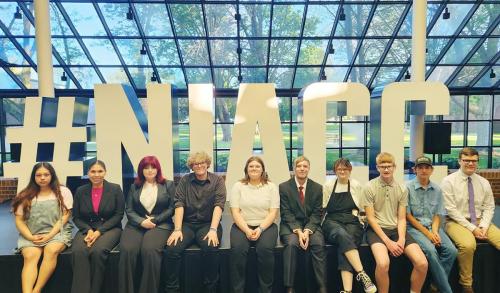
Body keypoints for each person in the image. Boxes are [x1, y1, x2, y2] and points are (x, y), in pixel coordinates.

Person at [362, 152, 428, 293]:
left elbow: (402, 218)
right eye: (382, 166)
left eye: (389, 166)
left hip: (397, 230)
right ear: (377, 167)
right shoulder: (369, 187)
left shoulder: (402, 188)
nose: (386, 169)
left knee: (422, 263)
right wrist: (388, 242)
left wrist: (402, 239)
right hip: (377, 230)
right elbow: (371, 218)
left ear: (394, 167)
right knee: (383, 263)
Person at [164, 151, 226, 293]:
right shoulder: (185, 180)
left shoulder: (218, 181)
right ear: (191, 166)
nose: (199, 166)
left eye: (202, 163)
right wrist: (177, 229)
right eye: (195, 164)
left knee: (211, 248)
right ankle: (172, 289)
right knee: (172, 249)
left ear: (207, 164)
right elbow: (179, 204)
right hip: (187, 224)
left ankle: (210, 289)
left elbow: (219, 205)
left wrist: (213, 230)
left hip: (208, 224)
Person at [441, 147, 500, 293]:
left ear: (477, 162)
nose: (470, 164)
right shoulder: (448, 181)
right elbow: (451, 210)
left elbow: (489, 207)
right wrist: (473, 229)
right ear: (459, 161)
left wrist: (484, 226)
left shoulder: (483, 182)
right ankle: (466, 285)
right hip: (455, 221)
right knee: (468, 245)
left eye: (474, 161)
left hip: (481, 221)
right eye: (466, 160)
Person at [12, 162, 73, 293]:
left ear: (52, 175)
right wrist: (29, 237)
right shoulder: (24, 195)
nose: (42, 178)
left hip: (57, 232)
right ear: (34, 177)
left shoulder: (63, 191)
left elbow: (65, 216)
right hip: (32, 233)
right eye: (38, 175)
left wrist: (50, 235)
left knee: (51, 251)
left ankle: (37, 290)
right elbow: (19, 220)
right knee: (30, 256)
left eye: (46, 174)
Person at [118, 156, 175, 293]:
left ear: (158, 169)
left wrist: (155, 220)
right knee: (127, 250)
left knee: (149, 251)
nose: (150, 170)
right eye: (146, 167)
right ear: (141, 170)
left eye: (153, 167)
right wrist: (141, 221)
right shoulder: (134, 186)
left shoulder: (168, 184)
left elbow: (172, 208)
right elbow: (129, 209)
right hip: (136, 225)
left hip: (160, 225)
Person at [323, 158, 376, 293]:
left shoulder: (356, 185)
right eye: (339, 169)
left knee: (345, 242)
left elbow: (362, 208)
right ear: (335, 171)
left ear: (350, 170)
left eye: (345, 169)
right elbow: (323, 208)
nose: (342, 171)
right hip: (332, 221)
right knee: (341, 234)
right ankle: (362, 273)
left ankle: (347, 290)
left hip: (352, 221)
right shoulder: (328, 186)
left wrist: (363, 219)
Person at [71, 160, 125, 293]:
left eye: (100, 171)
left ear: (105, 172)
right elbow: (76, 217)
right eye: (93, 171)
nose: (96, 174)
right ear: (88, 173)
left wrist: (99, 232)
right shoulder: (80, 191)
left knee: (98, 251)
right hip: (86, 228)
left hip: (110, 228)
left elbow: (119, 215)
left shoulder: (115, 189)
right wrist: (88, 230)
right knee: (79, 251)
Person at [406, 156, 457, 293]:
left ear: (431, 170)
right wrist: (428, 234)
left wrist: (434, 232)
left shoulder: (437, 189)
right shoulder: (407, 188)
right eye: (420, 167)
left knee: (452, 251)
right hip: (414, 228)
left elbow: (437, 214)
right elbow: (408, 216)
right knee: (431, 251)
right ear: (414, 170)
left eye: (426, 167)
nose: (423, 170)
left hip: (432, 226)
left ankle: (435, 284)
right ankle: (446, 289)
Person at [230, 156, 279, 293]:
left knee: (265, 250)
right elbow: (235, 212)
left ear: (263, 169)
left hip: (266, 225)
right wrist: (246, 230)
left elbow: (273, 212)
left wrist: (260, 228)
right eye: (251, 166)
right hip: (242, 225)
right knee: (238, 251)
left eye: (257, 166)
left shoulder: (271, 187)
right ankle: (238, 290)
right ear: (246, 169)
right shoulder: (238, 186)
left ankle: (265, 290)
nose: (254, 169)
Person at [279, 156, 327, 293]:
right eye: (299, 166)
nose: (302, 169)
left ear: (309, 169)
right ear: (294, 169)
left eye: (305, 166)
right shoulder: (284, 187)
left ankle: (322, 286)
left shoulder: (317, 188)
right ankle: (289, 287)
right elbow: (286, 213)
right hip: (290, 225)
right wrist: (299, 232)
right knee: (292, 244)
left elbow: (318, 213)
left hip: (311, 225)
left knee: (318, 243)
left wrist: (307, 231)